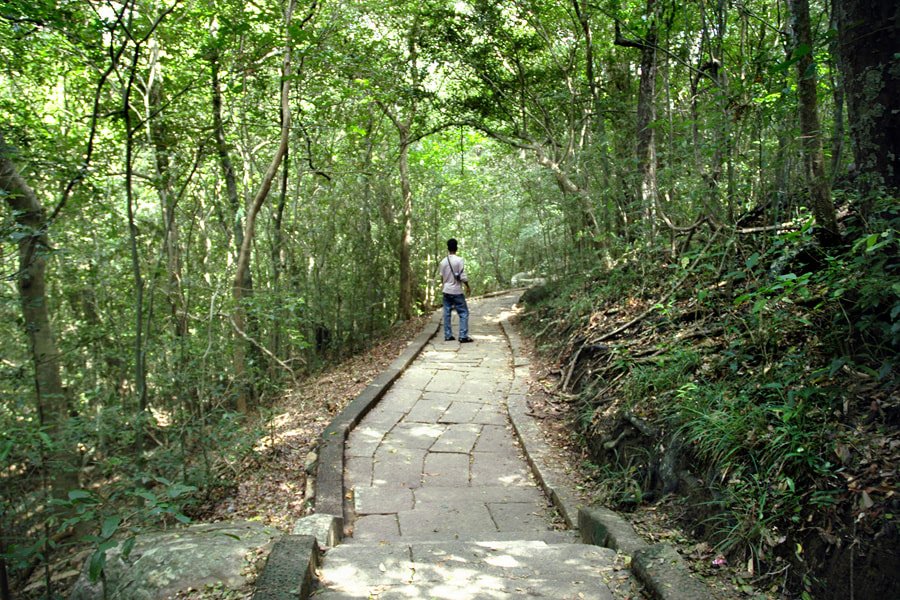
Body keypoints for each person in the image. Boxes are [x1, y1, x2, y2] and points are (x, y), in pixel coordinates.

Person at [439, 238, 473, 343]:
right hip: (457, 291)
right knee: (463, 313)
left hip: (446, 290)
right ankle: (463, 336)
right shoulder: (459, 260)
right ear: (456, 248)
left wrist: (445, 285)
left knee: (447, 313)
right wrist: (467, 285)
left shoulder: (443, 262)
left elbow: (442, 277)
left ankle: (448, 335)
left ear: (448, 248)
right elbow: (462, 276)